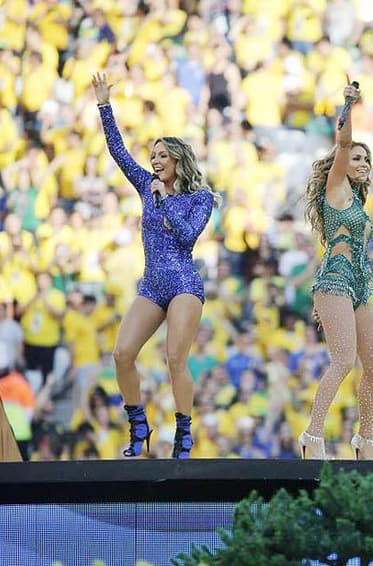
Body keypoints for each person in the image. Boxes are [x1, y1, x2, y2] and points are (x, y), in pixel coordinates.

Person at [92, 72, 220, 459]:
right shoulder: (146, 185)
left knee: (175, 357)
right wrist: (104, 105)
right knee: (121, 353)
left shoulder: (201, 198)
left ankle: (183, 433)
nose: (155, 160)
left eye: (163, 155)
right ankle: (138, 425)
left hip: (183, 282)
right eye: (153, 155)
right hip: (151, 284)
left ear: (179, 160)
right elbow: (118, 151)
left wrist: (163, 200)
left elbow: (185, 237)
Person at [298, 82, 373, 459]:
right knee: (343, 361)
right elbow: (345, 143)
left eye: (367, 160)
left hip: (359, 286)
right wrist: (348, 104)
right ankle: (312, 436)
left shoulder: (358, 201)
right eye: (356, 159)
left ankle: (364, 439)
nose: (362, 163)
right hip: (334, 282)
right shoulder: (336, 188)